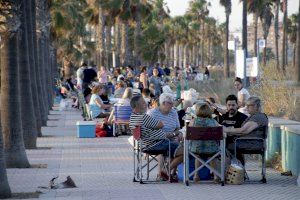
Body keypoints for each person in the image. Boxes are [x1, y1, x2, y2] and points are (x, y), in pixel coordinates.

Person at [129, 95, 183, 182]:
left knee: (176, 145)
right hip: (156, 144)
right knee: (184, 151)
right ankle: (165, 171)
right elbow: (160, 125)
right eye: (143, 102)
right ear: (138, 106)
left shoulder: (133, 117)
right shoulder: (143, 117)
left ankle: (166, 172)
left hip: (145, 144)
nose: (146, 104)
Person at [223, 97, 268, 165]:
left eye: (248, 106)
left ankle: (234, 170)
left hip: (252, 144)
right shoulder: (256, 116)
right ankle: (237, 170)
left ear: (255, 106)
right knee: (228, 143)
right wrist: (229, 131)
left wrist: (226, 130)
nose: (246, 108)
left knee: (225, 146)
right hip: (250, 142)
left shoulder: (257, 117)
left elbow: (244, 131)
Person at [188, 103, 220, 182]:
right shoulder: (213, 122)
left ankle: (196, 175)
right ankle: (216, 176)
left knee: (197, 156)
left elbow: (188, 134)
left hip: (196, 149)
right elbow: (220, 132)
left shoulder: (193, 121)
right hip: (212, 149)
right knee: (212, 156)